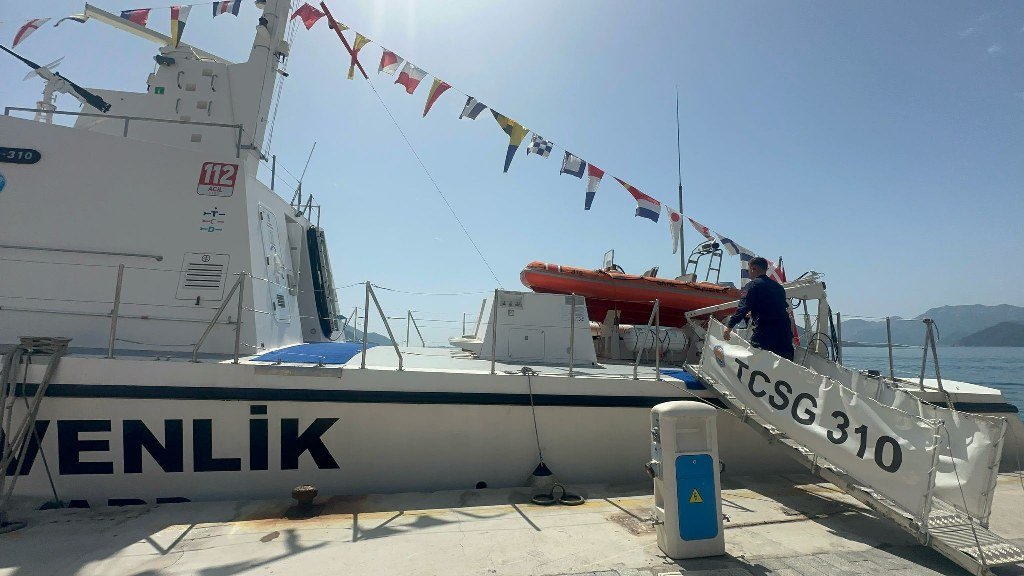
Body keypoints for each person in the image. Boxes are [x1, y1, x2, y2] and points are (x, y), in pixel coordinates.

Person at [722, 257, 794, 360]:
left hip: (765, 333)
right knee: (785, 363)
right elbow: (776, 308)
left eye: (748, 270)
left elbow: (742, 308)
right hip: (784, 333)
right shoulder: (779, 288)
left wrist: (728, 328)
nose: (748, 273)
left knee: (755, 360)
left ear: (753, 268)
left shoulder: (753, 285)